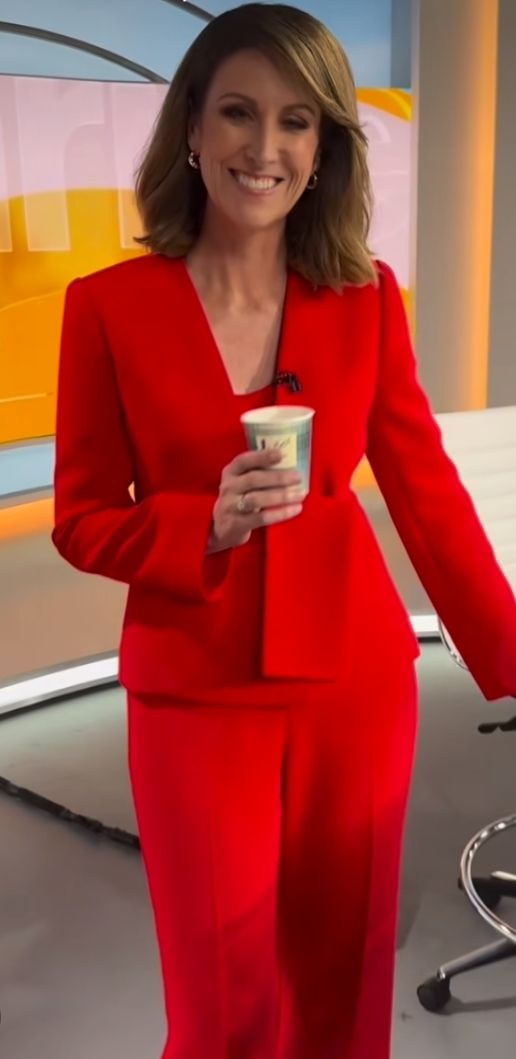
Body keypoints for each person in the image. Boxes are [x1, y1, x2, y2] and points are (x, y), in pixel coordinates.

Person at [51, 4, 516, 1058]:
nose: (265, 147)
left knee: (343, 982)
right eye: (239, 113)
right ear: (192, 129)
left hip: (355, 685)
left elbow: (427, 492)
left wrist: (508, 648)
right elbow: (81, 519)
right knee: (223, 1001)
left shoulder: (366, 298)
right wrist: (201, 524)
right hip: (193, 691)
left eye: (296, 121)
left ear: (324, 148)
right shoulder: (107, 308)